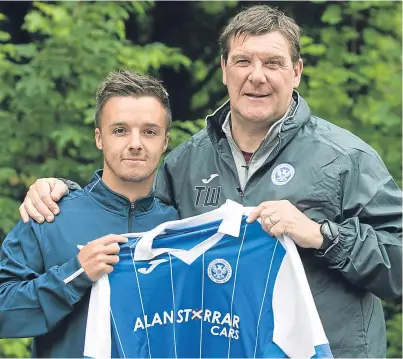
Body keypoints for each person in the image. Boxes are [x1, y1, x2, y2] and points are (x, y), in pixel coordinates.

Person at [18, 5, 402, 358]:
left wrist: (323, 235)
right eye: (243, 61)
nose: (257, 76)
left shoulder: (346, 159)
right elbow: (131, 212)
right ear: (224, 69)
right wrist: (64, 192)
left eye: (273, 62)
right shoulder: (185, 162)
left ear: (297, 70)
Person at [0, 70, 179, 357]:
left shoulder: (180, 226)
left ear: (165, 140)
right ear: (99, 138)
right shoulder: (49, 215)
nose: (135, 143)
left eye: (149, 131)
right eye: (120, 130)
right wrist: (75, 275)